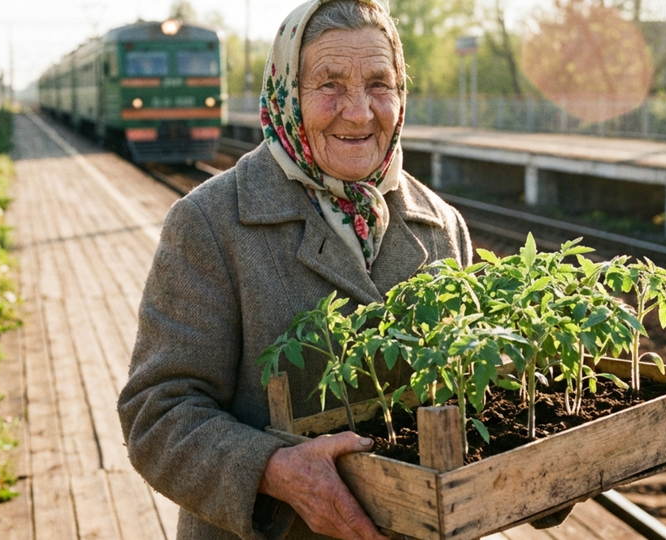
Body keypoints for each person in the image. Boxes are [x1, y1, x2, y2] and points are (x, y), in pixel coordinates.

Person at [117, 1, 471, 539]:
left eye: (379, 84)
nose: (359, 112)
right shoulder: (211, 223)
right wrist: (275, 471)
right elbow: (157, 415)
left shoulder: (441, 225)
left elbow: (482, 399)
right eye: (330, 85)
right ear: (286, 93)